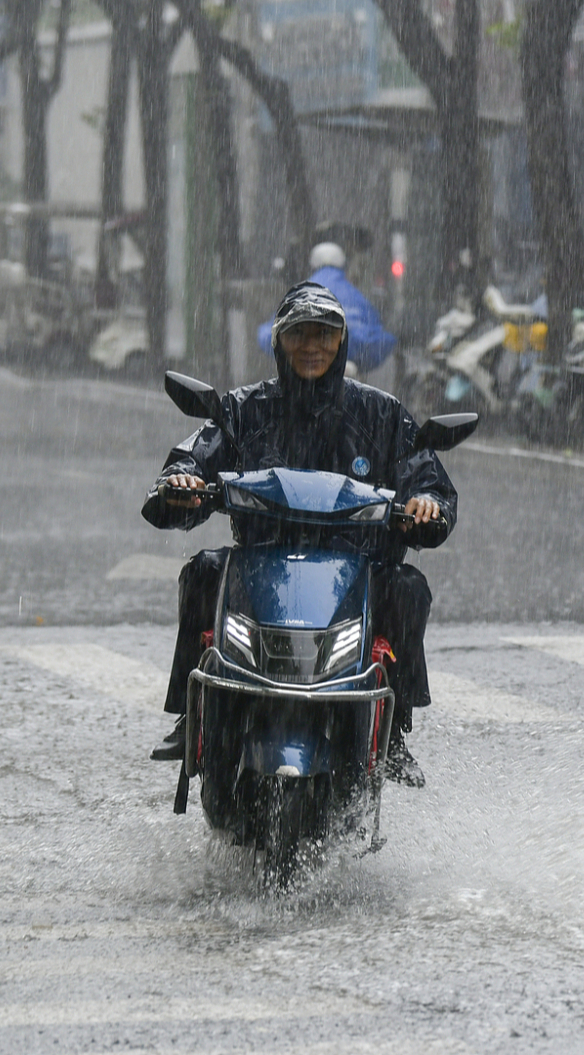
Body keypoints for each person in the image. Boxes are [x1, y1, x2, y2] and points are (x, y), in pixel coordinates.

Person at [145, 282, 457, 786]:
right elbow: (194, 457)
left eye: (324, 335)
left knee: (407, 588)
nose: (312, 346)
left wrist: (427, 502)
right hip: (259, 565)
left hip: (357, 572)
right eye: (299, 335)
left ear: (342, 343)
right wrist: (182, 481)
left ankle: (395, 730)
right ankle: (191, 712)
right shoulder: (243, 409)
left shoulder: (381, 413)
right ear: (279, 342)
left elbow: (425, 476)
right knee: (204, 570)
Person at [256, 242, 397, 374]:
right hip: (348, 364)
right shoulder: (355, 295)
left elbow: (271, 334)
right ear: (343, 265)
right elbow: (376, 335)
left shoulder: (301, 293)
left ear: (313, 264)